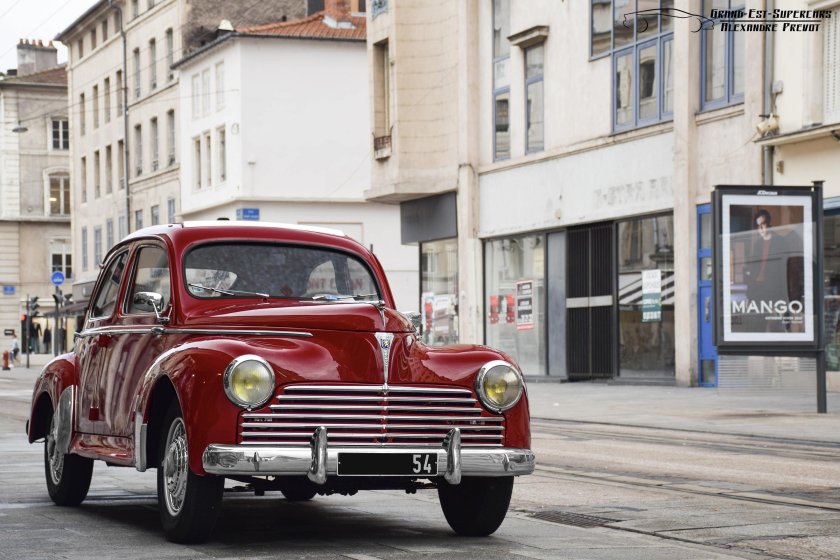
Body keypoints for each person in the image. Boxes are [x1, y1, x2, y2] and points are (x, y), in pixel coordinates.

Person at [743, 209, 803, 332]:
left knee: (773, 324)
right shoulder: (758, 244)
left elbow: (784, 269)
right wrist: (749, 294)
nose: (760, 229)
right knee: (757, 323)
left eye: (763, 224)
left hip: (773, 289)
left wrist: (785, 294)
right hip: (758, 289)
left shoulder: (781, 242)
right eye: (758, 226)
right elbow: (753, 271)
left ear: (769, 224)